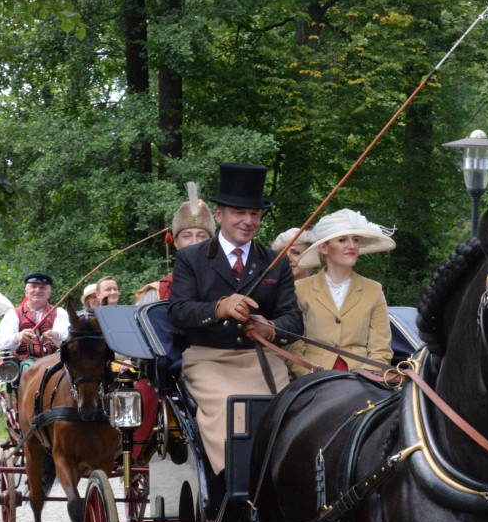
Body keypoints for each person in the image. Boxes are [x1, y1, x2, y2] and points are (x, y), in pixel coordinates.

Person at [168, 162, 302, 476]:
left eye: (254, 215)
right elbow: (178, 312)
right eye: (239, 213)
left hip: (263, 359)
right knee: (235, 409)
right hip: (209, 360)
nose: (247, 221)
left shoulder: (275, 262)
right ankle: (234, 490)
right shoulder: (191, 258)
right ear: (220, 215)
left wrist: (269, 328)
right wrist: (219, 308)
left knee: (286, 413)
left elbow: (293, 320)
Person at [287, 208, 395, 377]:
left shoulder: (374, 290)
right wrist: (309, 376)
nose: (351, 246)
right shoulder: (300, 289)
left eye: (356, 239)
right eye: (342, 240)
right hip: (312, 380)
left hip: (362, 381)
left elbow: (381, 350)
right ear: (324, 247)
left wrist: (366, 379)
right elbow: (294, 348)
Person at [135, 182, 217, 305]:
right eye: (187, 236)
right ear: (176, 242)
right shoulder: (156, 293)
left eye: (201, 236)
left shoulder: (225, 285)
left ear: (212, 243)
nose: (194, 242)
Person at [0, 272, 70, 364]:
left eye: (42, 287)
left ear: (49, 294)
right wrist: (17, 337)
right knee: (26, 367)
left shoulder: (59, 312)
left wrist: (56, 335)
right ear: (26, 292)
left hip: (55, 360)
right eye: (33, 286)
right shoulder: (14, 314)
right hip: (26, 362)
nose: (37, 290)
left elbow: (67, 334)